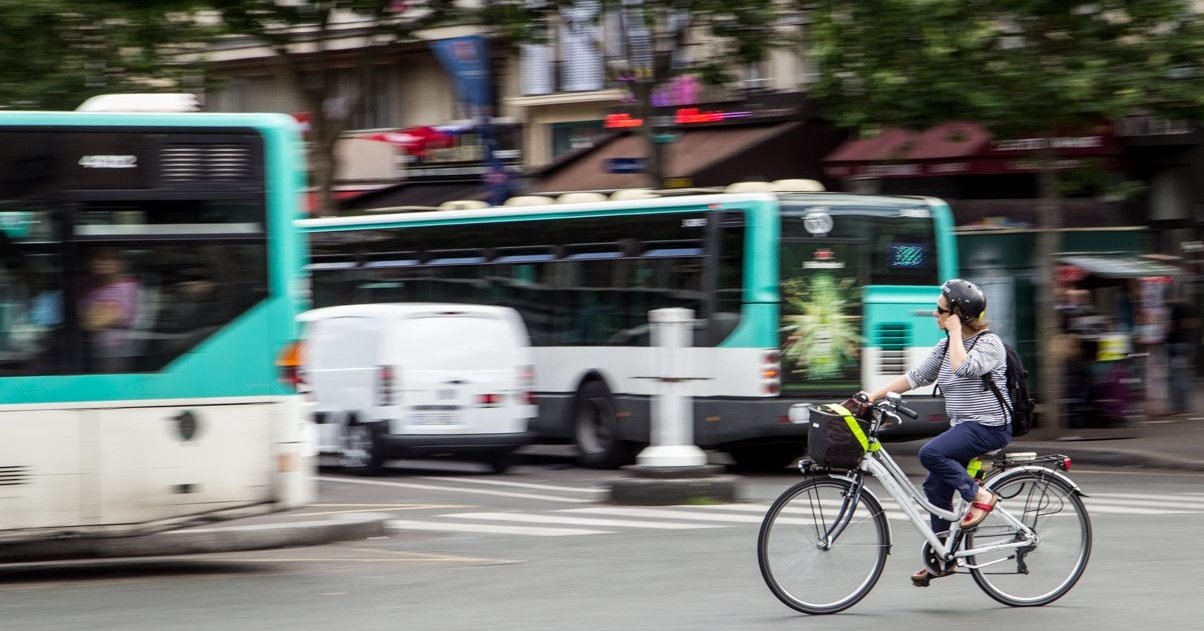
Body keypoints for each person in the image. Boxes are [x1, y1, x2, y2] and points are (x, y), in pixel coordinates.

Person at [863, 278, 1012, 587]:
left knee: (931, 453)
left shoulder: (989, 344)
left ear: (957, 315)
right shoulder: (945, 347)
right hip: (965, 426)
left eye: (941, 310)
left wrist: (956, 332)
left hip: (990, 425)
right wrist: (871, 396)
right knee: (935, 487)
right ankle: (944, 556)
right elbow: (915, 377)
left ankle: (980, 496)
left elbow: (964, 368)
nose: (935, 314)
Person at [80, 248, 142, 372]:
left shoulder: (128, 288)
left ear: (121, 263)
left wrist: (89, 314)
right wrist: (98, 312)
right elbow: (74, 313)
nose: (101, 262)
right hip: (85, 348)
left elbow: (93, 323)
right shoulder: (88, 283)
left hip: (113, 350)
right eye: (97, 258)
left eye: (108, 258)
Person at [1166, 296, 1200, 415]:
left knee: (1177, 377)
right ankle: (1185, 405)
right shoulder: (1192, 308)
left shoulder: (1176, 309)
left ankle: (1179, 406)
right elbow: (1195, 324)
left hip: (1177, 345)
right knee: (1184, 376)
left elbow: (1171, 328)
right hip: (1188, 345)